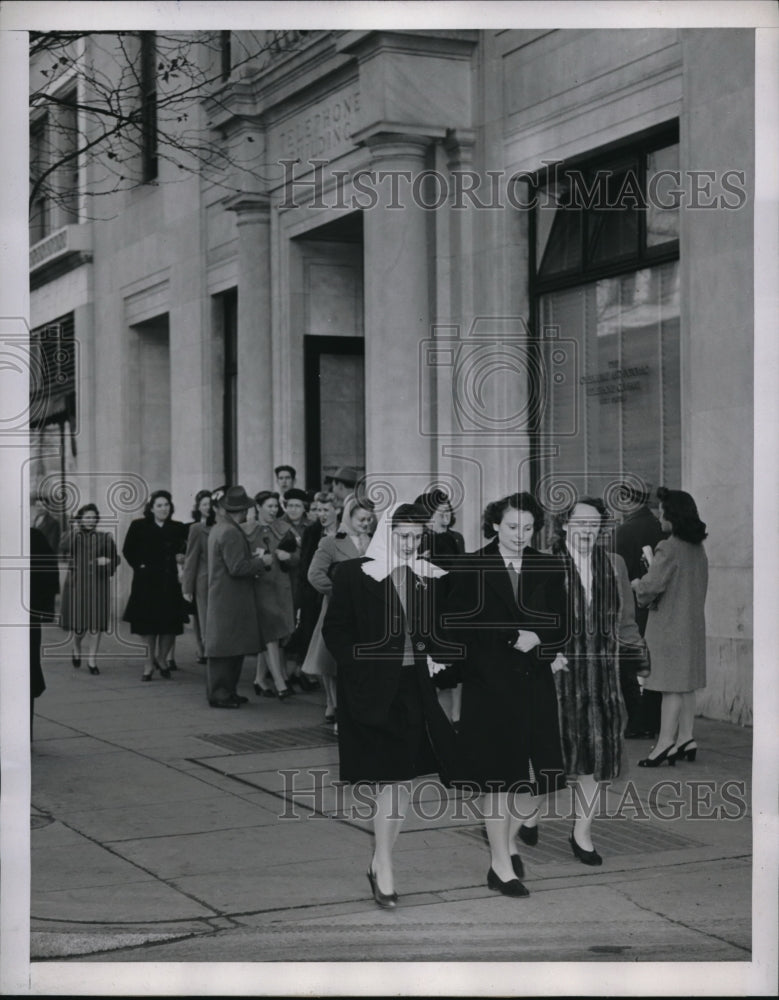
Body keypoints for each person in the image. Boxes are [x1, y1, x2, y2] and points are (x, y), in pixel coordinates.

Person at [322, 502, 458, 909]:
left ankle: (381, 862)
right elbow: (336, 631)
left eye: (417, 538)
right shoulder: (353, 573)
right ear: (387, 533)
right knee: (388, 781)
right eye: (403, 537)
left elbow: (437, 629)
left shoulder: (426, 577)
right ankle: (384, 866)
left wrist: (439, 654)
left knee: (402, 782)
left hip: (412, 689)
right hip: (370, 692)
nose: (410, 544)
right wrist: (362, 667)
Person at [447, 492, 569, 897]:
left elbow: (563, 625)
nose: (520, 535)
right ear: (495, 525)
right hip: (490, 687)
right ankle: (500, 864)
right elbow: (456, 626)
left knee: (539, 779)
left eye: (529, 528)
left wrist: (538, 639)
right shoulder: (471, 566)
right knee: (498, 781)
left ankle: (507, 842)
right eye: (513, 526)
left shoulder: (548, 565)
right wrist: (507, 637)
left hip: (534, 684)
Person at [550, 496, 645, 865]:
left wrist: (636, 663)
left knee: (597, 758)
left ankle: (582, 832)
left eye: (595, 524)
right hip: (558, 676)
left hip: (602, 676)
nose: (588, 530)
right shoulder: (546, 563)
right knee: (550, 755)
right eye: (581, 522)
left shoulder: (613, 564)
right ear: (564, 525)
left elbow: (625, 620)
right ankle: (525, 815)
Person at [632, 487, 708, 767]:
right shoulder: (696, 547)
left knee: (670, 688)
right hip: (691, 627)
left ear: (672, 515)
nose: (658, 515)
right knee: (686, 686)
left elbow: (651, 587)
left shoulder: (669, 546)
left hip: (668, 629)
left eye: (662, 511)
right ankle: (686, 738)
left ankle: (664, 743)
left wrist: (638, 584)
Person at [303, 494, 374, 724]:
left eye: (369, 520)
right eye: (362, 519)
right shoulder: (331, 542)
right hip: (338, 609)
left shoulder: (374, 542)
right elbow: (314, 575)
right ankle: (333, 704)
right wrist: (339, 592)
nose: (366, 524)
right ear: (349, 515)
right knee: (331, 660)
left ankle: (349, 705)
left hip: (366, 611)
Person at [205, 486, 267, 708]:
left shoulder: (220, 528)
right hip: (229, 599)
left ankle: (227, 691)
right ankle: (220, 694)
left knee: (230, 648)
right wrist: (261, 562)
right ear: (241, 510)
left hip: (225, 597)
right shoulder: (230, 532)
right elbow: (237, 567)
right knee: (226, 650)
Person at [615, 483, 666, 738]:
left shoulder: (624, 531)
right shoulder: (661, 526)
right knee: (652, 668)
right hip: (660, 609)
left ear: (627, 499)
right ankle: (654, 722)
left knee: (630, 668)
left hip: (633, 607)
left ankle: (638, 721)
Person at [121, 490, 188, 681]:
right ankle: (149, 662)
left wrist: (182, 557)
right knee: (148, 625)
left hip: (169, 582)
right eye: (159, 505)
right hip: (147, 582)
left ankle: (162, 657)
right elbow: (128, 550)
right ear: (151, 508)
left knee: (169, 625)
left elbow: (188, 546)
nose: (163, 508)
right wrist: (139, 566)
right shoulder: (139, 526)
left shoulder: (177, 527)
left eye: (166, 505)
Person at [242, 491, 298, 699]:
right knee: (271, 633)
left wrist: (289, 556)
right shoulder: (246, 531)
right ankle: (280, 683)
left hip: (281, 587)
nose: (274, 510)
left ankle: (259, 679)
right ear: (258, 507)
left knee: (278, 633)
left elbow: (297, 559)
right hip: (259, 588)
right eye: (270, 506)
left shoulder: (284, 530)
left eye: (276, 506)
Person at [59, 504, 120, 675]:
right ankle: (76, 646)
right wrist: (74, 529)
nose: (91, 520)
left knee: (96, 625)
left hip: (98, 584)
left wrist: (107, 561)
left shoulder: (105, 537)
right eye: (87, 517)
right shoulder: (74, 536)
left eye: (93, 517)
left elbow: (116, 558)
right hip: (77, 584)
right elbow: (63, 546)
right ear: (80, 519)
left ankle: (92, 660)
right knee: (79, 627)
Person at [30, 526, 59, 738]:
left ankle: (23, 733)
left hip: (24, 617)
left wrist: (45, 611)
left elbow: (49, 572)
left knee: (25, 673)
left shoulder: (33, 536)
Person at [182, 490, 216, 667]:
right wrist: (187, 587)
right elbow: (191, 558)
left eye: (210, 504)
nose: (208, 507)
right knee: (203, 619)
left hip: (222, 581)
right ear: (198, 507)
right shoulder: (196, 528)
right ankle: (205, 650)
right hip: (204, 581)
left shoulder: (221, 526)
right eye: (204, 504)